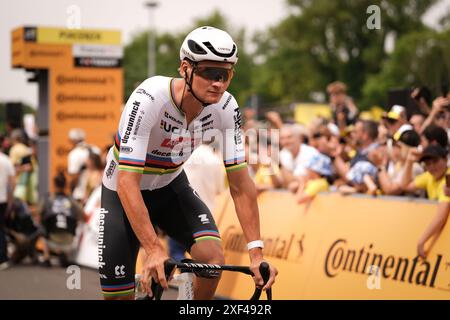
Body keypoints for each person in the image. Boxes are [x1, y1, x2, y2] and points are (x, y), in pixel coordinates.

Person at [99, 26, 277, 300]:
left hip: (170, 186)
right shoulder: (149, 98)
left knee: (212, 261)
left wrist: (256, 254)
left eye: (225, 74)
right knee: (118, 297)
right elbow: (127, 183)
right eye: (208, 72)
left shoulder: (227, 108)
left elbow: (241, 185)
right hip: (122, 192)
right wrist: (155, 249)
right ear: (185, 68)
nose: (217, 83)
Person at [401, 145, 450, 258]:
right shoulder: (429, 176)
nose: (432, 167)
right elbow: (405, 185)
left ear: (446, 159)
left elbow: (441, 216)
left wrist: (422, 241)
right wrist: (409, 162)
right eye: (428, 164)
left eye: (435, 161)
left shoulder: (448, 179)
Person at [39, 172, 83, 267]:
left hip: (51, 241)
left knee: (43, 221)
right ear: (65, 185)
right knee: (72, 219)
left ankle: (46, 258)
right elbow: (81, 213)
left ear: (54, 184)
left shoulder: (48, 198)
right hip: (69, 243)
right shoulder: (71, 199)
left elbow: (39, 212)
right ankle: (66, 255)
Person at [0, 144, 15, 270]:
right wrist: (11, 200)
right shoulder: (6, 160)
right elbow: (12, 182)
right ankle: (3, 258)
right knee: (1, 228)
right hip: (2, 199)